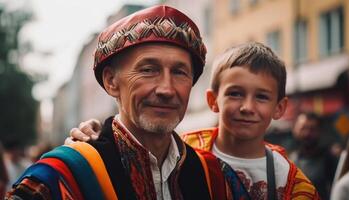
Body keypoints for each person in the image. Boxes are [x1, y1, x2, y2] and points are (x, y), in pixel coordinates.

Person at [6, 5, 249, 200]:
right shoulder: (63, 175)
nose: (166, 89)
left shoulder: (217, 176)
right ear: (112, 81)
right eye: (148, 70)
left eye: (180, 72)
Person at [71, 42, 320, 199]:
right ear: (213, 101)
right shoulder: (182, 151)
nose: (247, 107)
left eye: (262, 97)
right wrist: (94, 146)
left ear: (280, 108)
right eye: (235, 94)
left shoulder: (292, 182)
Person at [289, 111, 338, 199]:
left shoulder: (329, 160)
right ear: (295, 130)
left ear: (319, 131)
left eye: (312, 129)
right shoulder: (288, 160)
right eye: (303, 128)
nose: (307, 134)